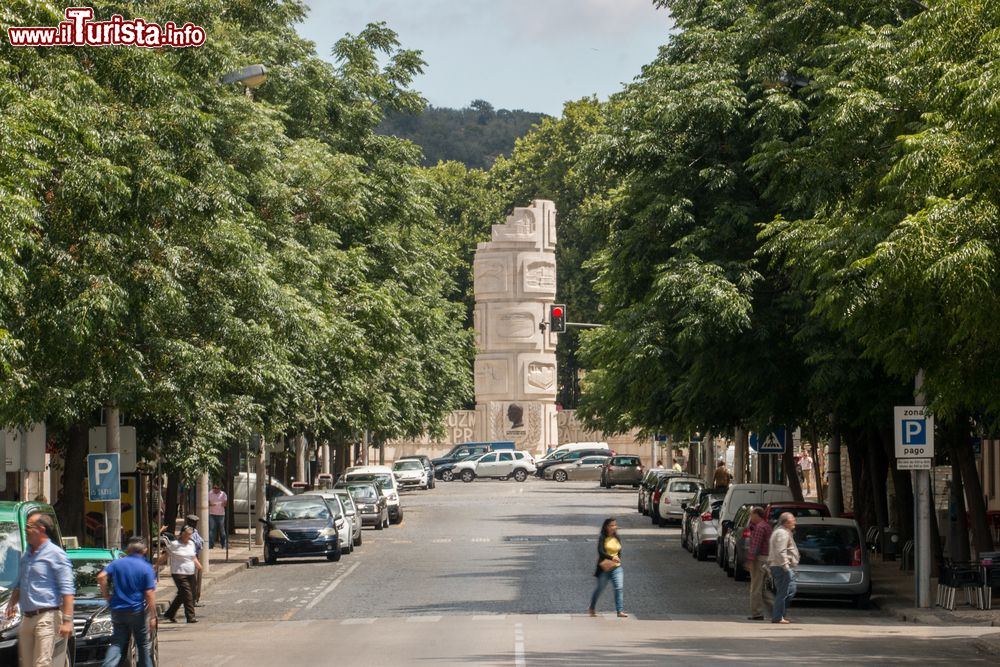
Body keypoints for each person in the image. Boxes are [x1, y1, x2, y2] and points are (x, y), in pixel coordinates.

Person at [5, 512, 75, 667]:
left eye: (29, 526)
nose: (26, 530)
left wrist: (67, 621)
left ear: (41, 529)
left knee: (41, 664)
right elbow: (20, 583)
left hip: (47, 617)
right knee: (27, 664)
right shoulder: (26, 556)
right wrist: (12, 603)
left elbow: (67, 590)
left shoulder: (56, 555)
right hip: (27, 618)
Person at [98, 536, 156, 667]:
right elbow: (149, 593)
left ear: (128, 550)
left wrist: (106, 595)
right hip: (136, 610)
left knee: (118, 642)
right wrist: (153, 616)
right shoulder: (146, 567)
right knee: (142, 644)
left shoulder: (117, 563)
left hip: (118, 609)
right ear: (144, 550)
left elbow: (101, 577)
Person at [159, 525, 201, 623]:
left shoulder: (191, 543)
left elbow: (193, 556)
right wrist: (156, 565)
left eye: (190, 535)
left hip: (190, 572)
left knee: (186, 594)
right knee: (187, 594)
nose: (188, 537)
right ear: (182, 534)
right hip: (178, 572)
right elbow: (165, 556)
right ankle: (190, 617)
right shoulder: (174, 544)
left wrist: (198, 564)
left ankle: (170, 613)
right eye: (187, 535)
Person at [587, 518, 627, 618]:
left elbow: (619, 551)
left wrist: (618, 559)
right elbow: (600, 551)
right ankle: (592, 607)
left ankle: (620, 611)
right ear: (606, 527)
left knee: (619, 588)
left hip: (616, 568)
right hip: (604, 568)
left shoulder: (617, 537)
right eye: (612, 525)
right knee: (600, 589)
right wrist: (612, 557)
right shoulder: (602, 537)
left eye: (615, 525)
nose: (614, 527)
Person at [768, 512, 800, 624]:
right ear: (786, 522)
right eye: (793, 519)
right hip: (781, 567)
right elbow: (780, 551)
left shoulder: (784, 532)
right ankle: (777, 617)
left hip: (782, 566)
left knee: (790, 590)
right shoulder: (782, 533)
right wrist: (786, 566)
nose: (795, 521)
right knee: (783, 592)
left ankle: (780, 614)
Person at [745, 507, 773, 620]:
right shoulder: (766, 526)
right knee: (763, 589)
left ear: (757, 515)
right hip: (767, 559)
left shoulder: (760, 527)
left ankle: (757, 613)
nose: (750, 517)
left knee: (755, 587)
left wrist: (750, 561)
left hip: (759, 559)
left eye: (751, 515)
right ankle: (777, 610)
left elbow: (755, 545)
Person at [184, 514, 204, 606]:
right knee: (191, 581)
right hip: (189, 558)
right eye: (194, 522)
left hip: (195, 556)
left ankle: (195, 599)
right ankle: (191, 600)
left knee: (196, 579)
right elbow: (194, 542)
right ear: (189, 522)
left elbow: (201, 541)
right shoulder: (187, 531)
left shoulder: (194, 530)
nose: (195, 524)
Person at [208, 482, 228, 548]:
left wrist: (223, 503)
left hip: (221, 515)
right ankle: (211, 545)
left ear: (220, 489)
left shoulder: (223, 494)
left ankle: (223, 545)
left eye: (217, 488)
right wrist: (211, 504)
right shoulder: (210, 493)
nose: (215, 489)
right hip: (212, 514)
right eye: (214, 488)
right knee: (211, 530)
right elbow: (207, 503)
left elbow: (225, 503)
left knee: (222, 530)